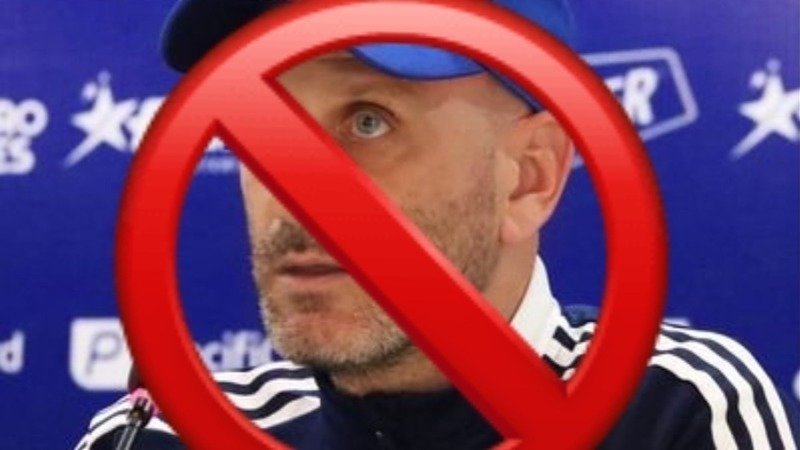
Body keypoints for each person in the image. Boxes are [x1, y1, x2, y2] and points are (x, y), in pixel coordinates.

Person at [74, 0, 800, 449]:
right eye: (264, 127)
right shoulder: (155, 440)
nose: (290, 199)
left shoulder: (678, 413)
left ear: (530, 176)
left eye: (368, 120)